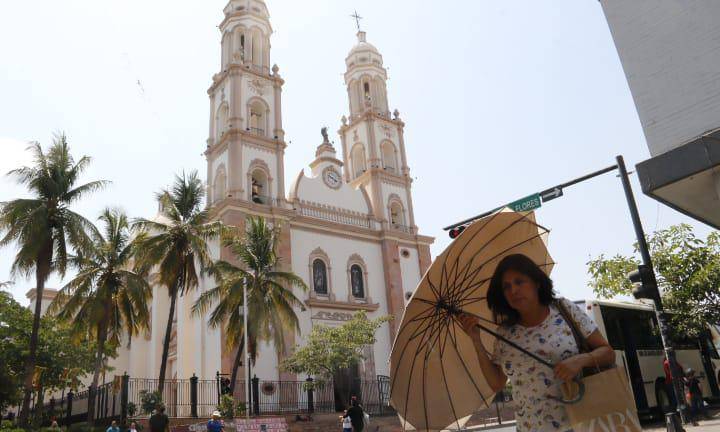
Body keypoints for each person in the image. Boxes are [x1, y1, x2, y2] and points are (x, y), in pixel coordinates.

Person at [459, 254, 616, 432]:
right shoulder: (505, 334)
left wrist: (580, 360)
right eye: (506, 287)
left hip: (580, 424)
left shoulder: (564, 310)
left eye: (519, 282)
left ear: (537, 283)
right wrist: (476, 340)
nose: (513, 291)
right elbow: (497, 384)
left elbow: (608, 353)